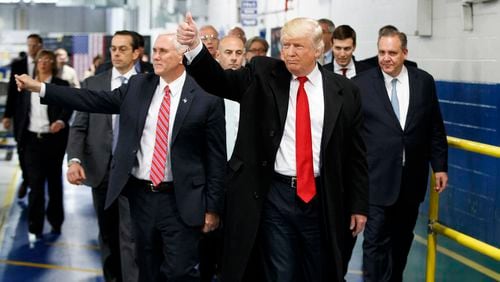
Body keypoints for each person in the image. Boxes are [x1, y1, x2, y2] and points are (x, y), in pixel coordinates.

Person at [16, 32, 226, 282]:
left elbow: (215, 158)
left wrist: (212, 209)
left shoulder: (205, 96)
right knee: (145, 267)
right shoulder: (139, 86)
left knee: (180, 271)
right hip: (141, 198)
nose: (155, 56)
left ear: (181, 56)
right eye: (155, 51)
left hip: (181, 200)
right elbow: (90, 99)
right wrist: (40, 88)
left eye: (163, 52)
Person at [178, 13, 368, 282]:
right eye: (285, 45)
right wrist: (195, 47)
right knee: (280, 273)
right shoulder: (263, 74)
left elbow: (355, 154)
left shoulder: (345, 92)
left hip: (321, 198)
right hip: (274, 196)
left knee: (318, 271)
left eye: (297, 46)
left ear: (318, 50)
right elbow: (219, 81)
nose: (289, 53)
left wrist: (359, 204)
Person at [352, 28, 448, 282]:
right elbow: (350, 136)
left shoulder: (423, 82)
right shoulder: (360, 85)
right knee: (374, 241)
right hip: (375, 179)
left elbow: (435, 128)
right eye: (382, 52)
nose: (386, 58)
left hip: (410, 180)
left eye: (392, 53)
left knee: (402, 240)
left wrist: (440, 166)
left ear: (405, 53)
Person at [66, 30, 141, 282]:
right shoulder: (93, 85)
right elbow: (79, 126)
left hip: (137, 173)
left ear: (137, 53)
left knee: (132, 235)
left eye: (122, 49)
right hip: (102, 172)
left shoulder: (149, 83)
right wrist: (74, 160)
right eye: (113, 49)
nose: (116, 53)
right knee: (108, 235)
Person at [199, 35, 246, 282]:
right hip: (210, 178)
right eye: (229, 52)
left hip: (242, 179)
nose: (234, 58)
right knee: (208, 242)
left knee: (236, 243)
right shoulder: (204, 91)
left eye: (239, 53)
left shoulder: (253, 91)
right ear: (217, 55)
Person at [15, 49, 73, 239]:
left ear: (53, 63)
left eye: (48, 59)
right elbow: (20, 111)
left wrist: (61, 121)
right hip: (32, 141)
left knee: (55, 183)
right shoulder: (25, 85)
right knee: (36, 185)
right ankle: (35, 226)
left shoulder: (60, 85)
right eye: (41, 59)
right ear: (36, 62)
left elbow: (68, 106)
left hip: (54, 141)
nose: (44, 62)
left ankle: (56, 222)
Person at [2, 33, 43, 200]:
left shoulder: (46, 62)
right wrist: (7, 116)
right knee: (22, 149)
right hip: (21, 115)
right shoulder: (18, 65)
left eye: (35, 45)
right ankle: (27, 179)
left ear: (40, 45)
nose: (31, 49)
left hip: (41, 115)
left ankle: (34, 181)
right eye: (29, 45)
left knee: (37, 153)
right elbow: (12, 91)